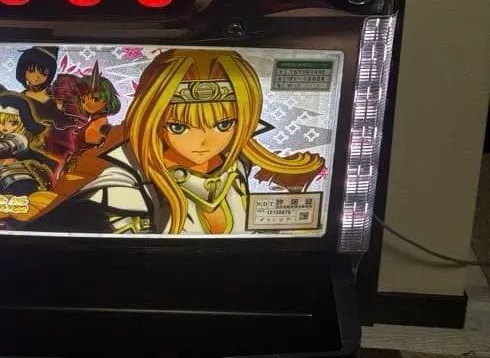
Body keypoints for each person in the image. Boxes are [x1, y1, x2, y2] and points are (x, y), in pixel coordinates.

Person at [32, 48, 326, 235]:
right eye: (179, 126)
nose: (204, 141)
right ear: (152, 120)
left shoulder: (236, 162)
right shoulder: (123, 186)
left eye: (224, 124)